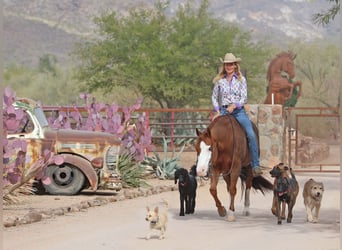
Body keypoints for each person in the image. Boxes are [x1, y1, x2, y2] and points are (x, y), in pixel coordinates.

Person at [211, 52, 263, 177]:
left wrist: (234, 106)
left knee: (250, 134)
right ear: (224, 66)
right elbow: (214, 96)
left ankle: (255, 164)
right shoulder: (220, 81)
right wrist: (217, 110)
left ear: (235, 65)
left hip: (238, 111)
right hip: (223, 111)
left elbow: (244, 97)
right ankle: (210, 164)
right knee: (209, 134)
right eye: (226, 64)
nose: (228, 66)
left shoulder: (241, 80)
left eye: (231, 64)